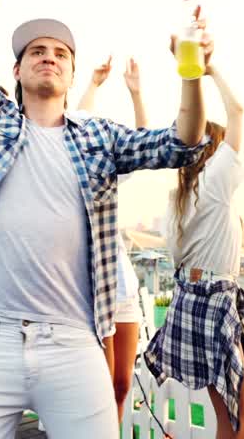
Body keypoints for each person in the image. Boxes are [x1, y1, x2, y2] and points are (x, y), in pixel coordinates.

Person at [0, 0, 210, 439]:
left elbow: (182, 144)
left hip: (72, 342)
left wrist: (192, 72)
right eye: (36, 51)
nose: (49, 56)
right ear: (16, 70)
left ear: (70, 72)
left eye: (60, 53)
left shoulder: (99, 138)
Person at [144, 62, 244, 438]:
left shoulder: (180, 196)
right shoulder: (214, 180)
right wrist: (210, 70)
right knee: (236, 416)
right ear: (213, 150)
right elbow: (238, 111)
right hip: (211, 298)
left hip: (197, 296)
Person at [76, 56, 149, 423]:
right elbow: (79, 121)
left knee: (122, 384)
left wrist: (135, 93)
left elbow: (143, 143)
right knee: (101, 386)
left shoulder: (109, 175)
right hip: (92, 292)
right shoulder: (68, 173)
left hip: (123, 289)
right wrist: (92, 84)